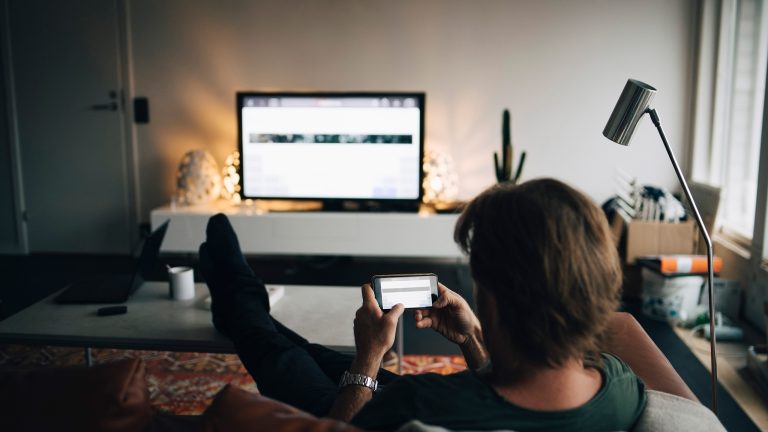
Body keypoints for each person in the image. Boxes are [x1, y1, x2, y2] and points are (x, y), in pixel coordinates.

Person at [198, 178, 650, 431]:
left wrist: (371, 355)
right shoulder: (621, 383)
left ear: (493, 297)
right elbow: (520, 392)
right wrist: (473, 336)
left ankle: (240, 301)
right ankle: (243, 303)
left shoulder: (425, 406)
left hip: (355, 411)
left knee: (276, 350)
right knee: (311, 352)